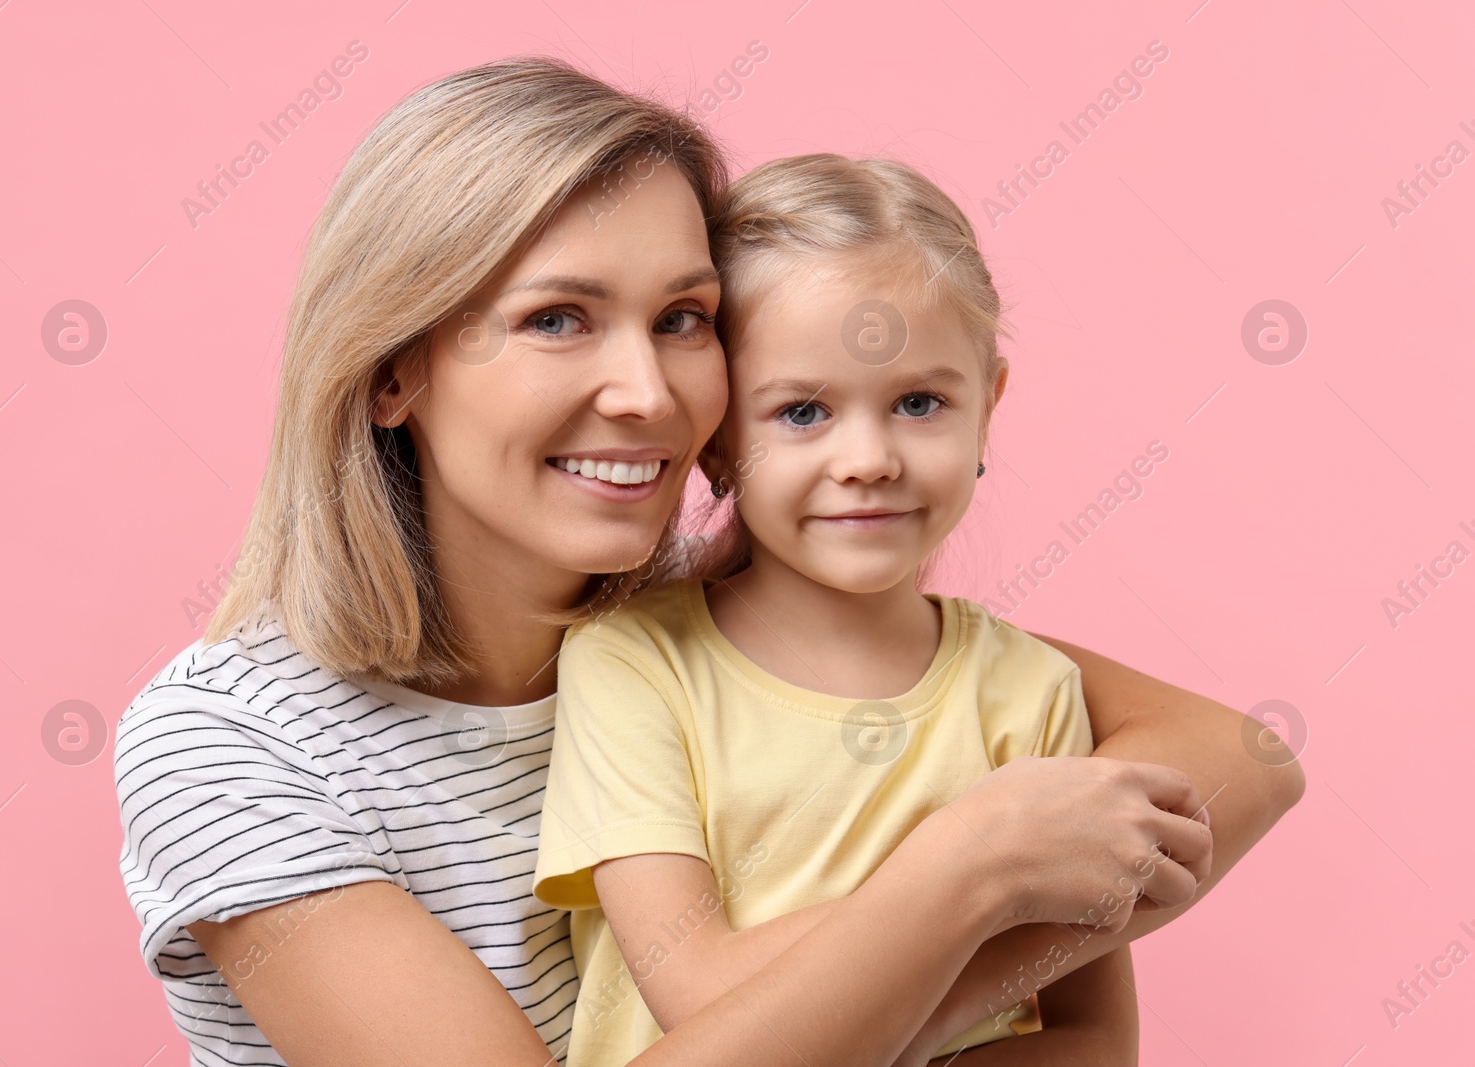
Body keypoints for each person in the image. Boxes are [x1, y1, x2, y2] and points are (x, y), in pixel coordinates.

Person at [113, 56, 1303, 1066]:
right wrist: (968, 876)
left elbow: (1238, 762)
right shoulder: (229, 744)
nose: (646, 394)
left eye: (682, 317)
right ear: (390, 371)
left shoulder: (744, 635)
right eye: (556, 318)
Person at [534, 151, 1188, 1066]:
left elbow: (1092, 1033)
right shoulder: (635, 661)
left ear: (987, 411)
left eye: (919, 401)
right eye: (802, 413)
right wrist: (968, 883)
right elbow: (698, 991)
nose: (869, 458)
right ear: (717, 443)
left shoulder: (1033, 692)